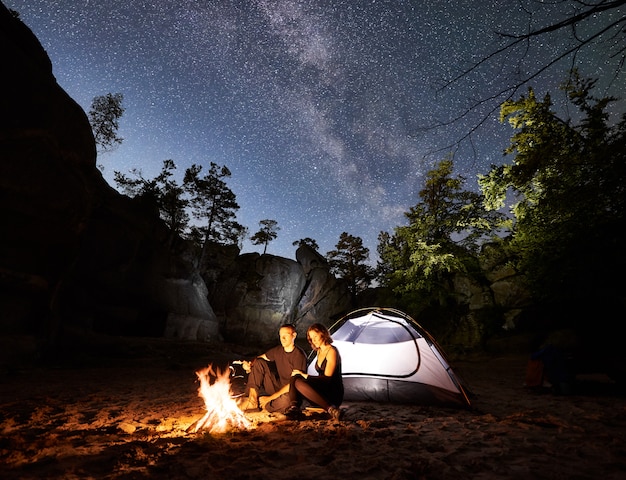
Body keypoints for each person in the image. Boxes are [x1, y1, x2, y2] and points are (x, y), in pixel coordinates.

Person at [239, 323, 307, 414]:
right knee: (259, 363)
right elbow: (261, 358)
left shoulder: (299, 356)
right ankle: (253, 401)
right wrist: (250, 364)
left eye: (285, 335)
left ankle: (267, 405)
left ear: (294, 336)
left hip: (291, 391)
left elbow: (294, 384)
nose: (282, 339)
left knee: (287, 401)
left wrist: (270, 398)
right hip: (277, 386)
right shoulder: (278, 350)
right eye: (280, 336)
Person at [286, 323, 344, 420]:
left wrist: (306, 376)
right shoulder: (319, 351)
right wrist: (302, 375)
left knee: (300, 377)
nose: (314, 340)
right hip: (322, 391)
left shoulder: (332, 351)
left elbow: (327, 380)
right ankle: (294, 408)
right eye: (311, 338)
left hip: (333, 392)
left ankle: (331, 409)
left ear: (323, 334)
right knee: (295, 377)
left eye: (316, 336)